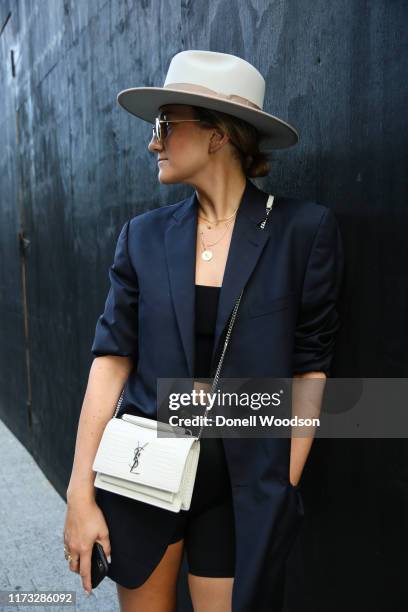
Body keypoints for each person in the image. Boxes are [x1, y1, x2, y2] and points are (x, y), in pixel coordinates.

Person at [63, 50, 344, 612]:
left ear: (218, 135)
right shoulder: (142, 237)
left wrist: (282, 479)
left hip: (239, 491)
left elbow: (309, 365)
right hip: (144, 470)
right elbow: (111, 358)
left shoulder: (303, 231)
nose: (153, 142)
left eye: (166, 125)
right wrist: (79, 491)